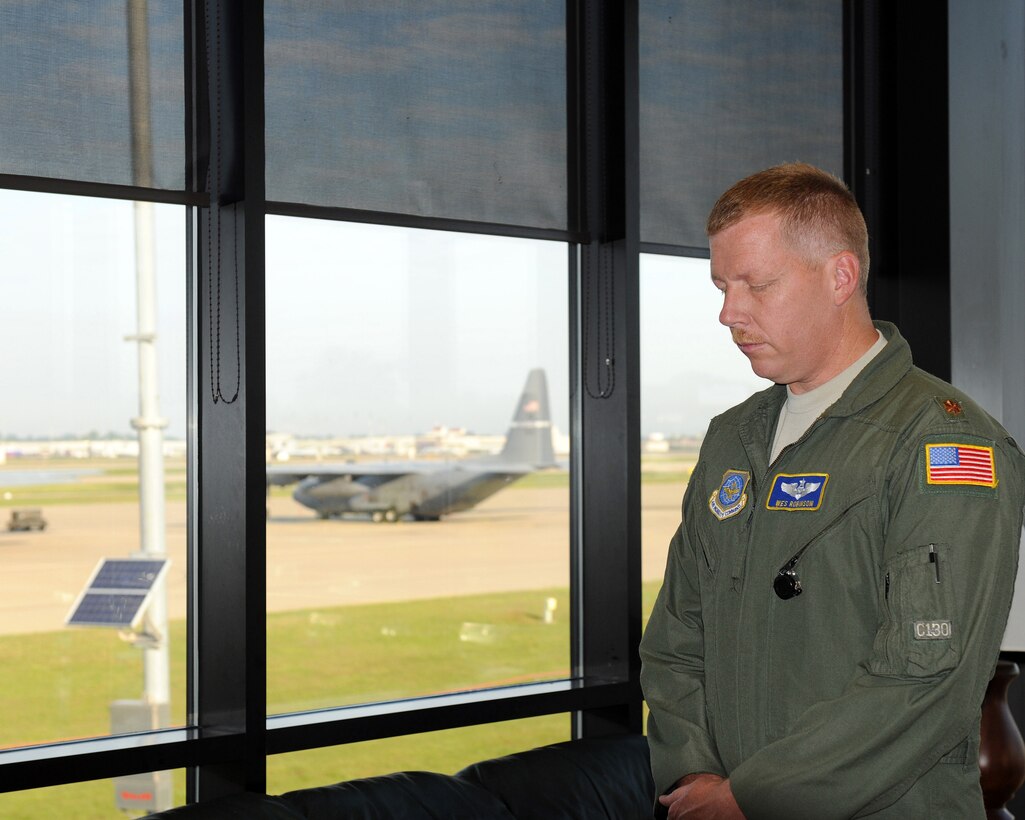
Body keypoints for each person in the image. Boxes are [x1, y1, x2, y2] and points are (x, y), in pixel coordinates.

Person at [639, 162, 1025, 819]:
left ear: (840, 276)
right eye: (721, 286)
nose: (728, 313)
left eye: (756, 285)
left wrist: (752, 798)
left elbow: (923, 679)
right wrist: (694, 777)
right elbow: (676, 640)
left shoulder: (942, 444)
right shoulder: (731, 439)